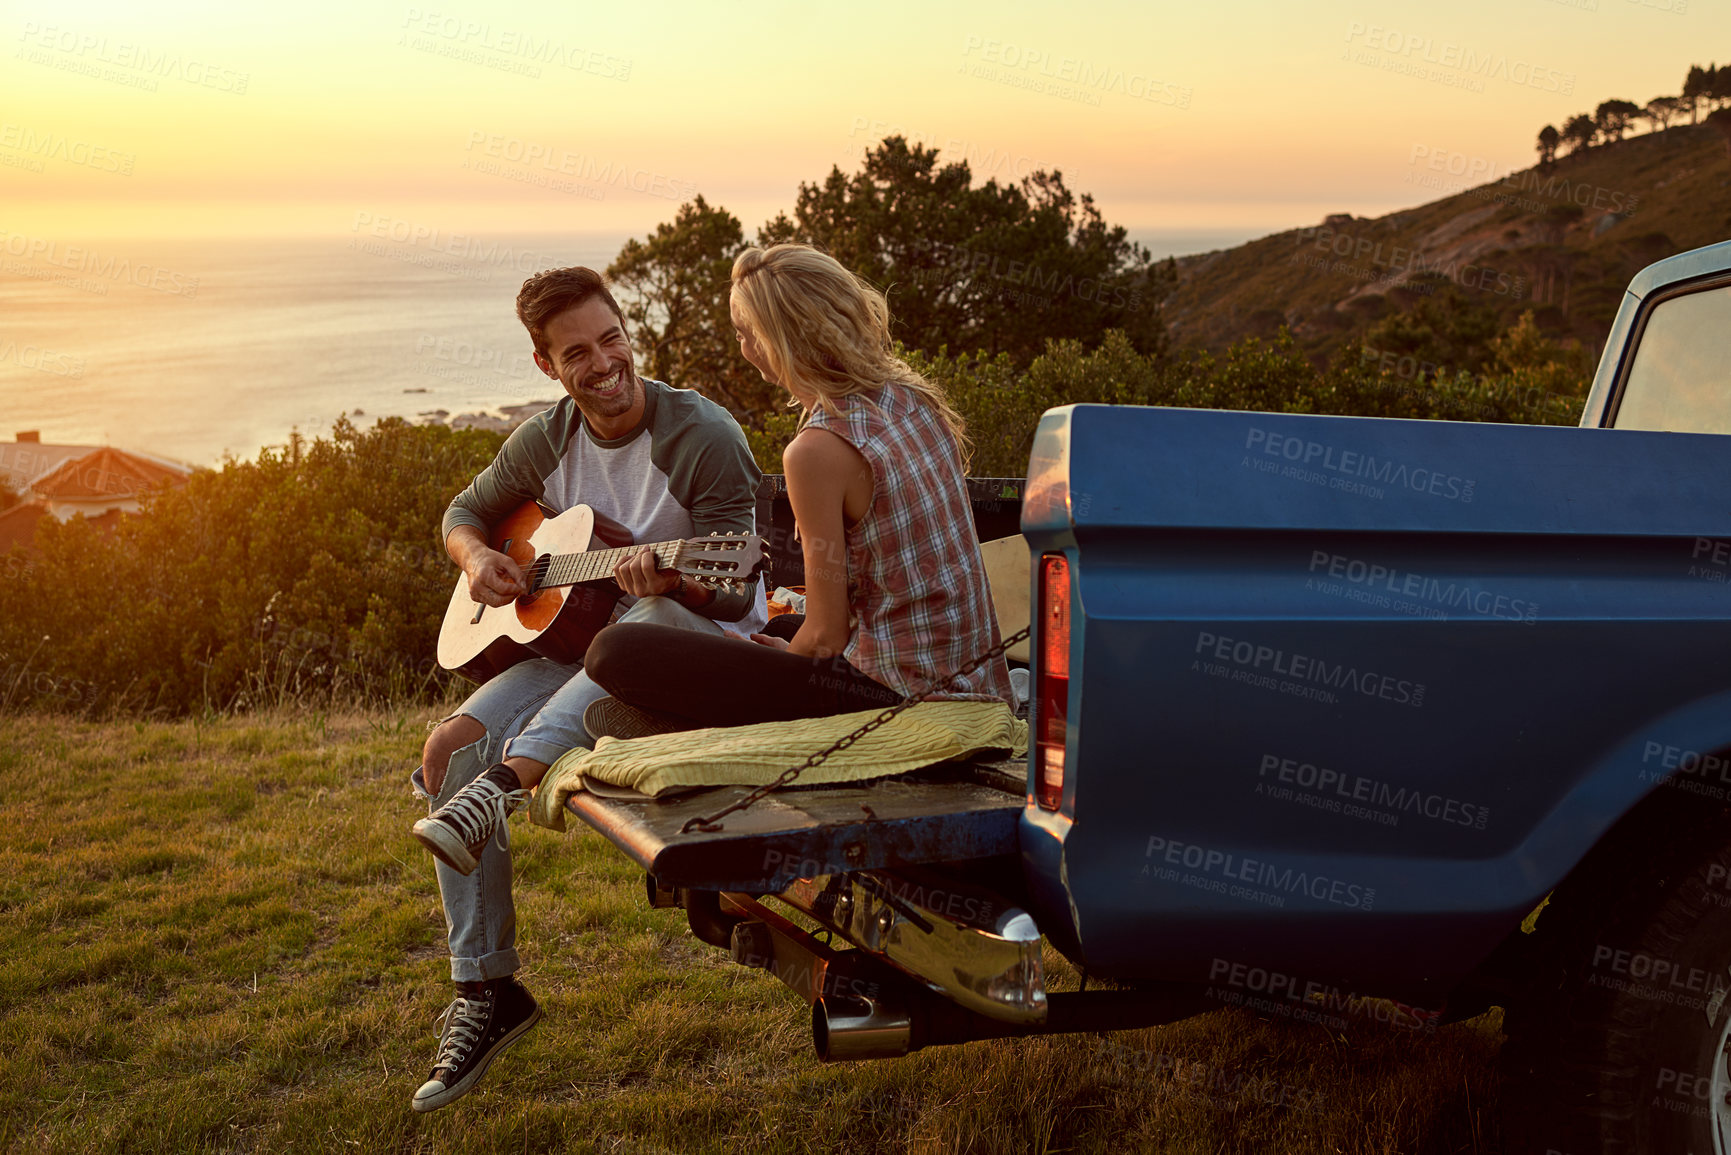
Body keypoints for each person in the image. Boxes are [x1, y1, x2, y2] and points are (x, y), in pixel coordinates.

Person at [406, 266, 767, 1112]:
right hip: (585, 649)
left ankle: (502, 789)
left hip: (691, 644)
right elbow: (463, 512)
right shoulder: (548, 436)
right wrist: (482, 558)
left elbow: (741, 593)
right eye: (577, 352)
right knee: (446, 747)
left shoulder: (701, 434)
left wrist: (671, 582)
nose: (603, 362)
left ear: (625, 328)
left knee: (630, 627)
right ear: (547, 365)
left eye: (611, 338)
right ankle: (487, 991)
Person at [581, 242, 1016, 731]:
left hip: (898, 702)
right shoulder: (909, 396)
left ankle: (680, 722)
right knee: (779, 625)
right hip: (972, 676)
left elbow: (826, 638)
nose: (743, 349)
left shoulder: (815, 452)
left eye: (747, 334)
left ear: (780, 340)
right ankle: (675, 713)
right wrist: (791, 646)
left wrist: (795, 654)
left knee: (612, 651)